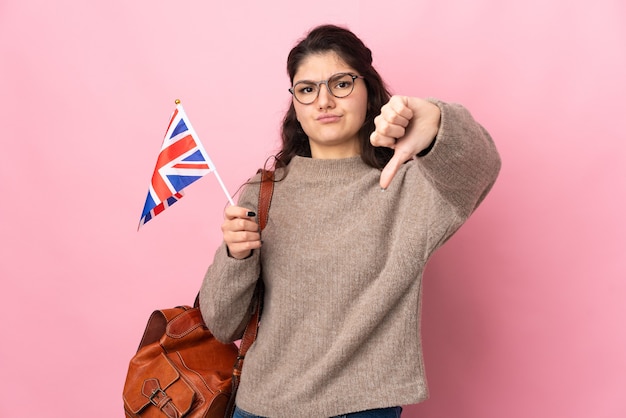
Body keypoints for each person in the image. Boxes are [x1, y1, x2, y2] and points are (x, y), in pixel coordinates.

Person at [199, 24, 501, 418]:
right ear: (295, 102)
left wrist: (435, 118)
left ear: (368, 88)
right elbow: (223, 325)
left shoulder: (409, 184)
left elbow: (482, 165)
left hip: (360, 409)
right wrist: (235, 257)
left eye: (340, 83)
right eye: (307, 89)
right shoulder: (265, 191)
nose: (323, 101)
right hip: (259, 408)